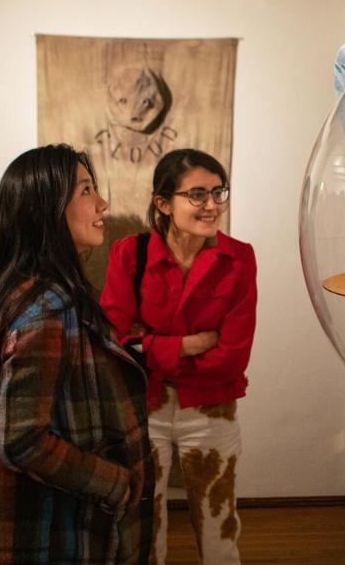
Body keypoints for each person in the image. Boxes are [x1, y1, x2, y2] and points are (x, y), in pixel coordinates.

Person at [0, 144, 152, 564]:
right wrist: (116, 483)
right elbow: (23, 439)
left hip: (47, 522)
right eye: (85, 191)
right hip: (52, 533)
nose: (102, 203)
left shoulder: (27, 288)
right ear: (47, 208)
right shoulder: (45, 308)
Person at [101, 148, 257, 565]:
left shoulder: (238, 258)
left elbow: (232, 356)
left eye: (218, 192)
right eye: (198, 195)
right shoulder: (128, 255)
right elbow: (115, 342)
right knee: (144, 525)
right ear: (163, 203)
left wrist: (150, 345)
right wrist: (186, 345)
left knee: (219, 524)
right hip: (143, 406)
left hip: (212, 409)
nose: (211, 205)